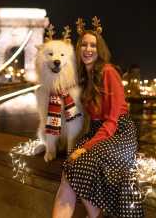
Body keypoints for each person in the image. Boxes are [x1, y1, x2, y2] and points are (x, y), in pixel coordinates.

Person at [52, 17, 144, 218]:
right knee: (67, 175)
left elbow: (111, 121)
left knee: (80, 165)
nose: (88, 49)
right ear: (79, 48)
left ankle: (96, 216)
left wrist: (85, 147)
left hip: (118, 133)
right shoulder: (84, 77)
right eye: (84, 44)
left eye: (93, 45)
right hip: (97, 132)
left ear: (99, 49)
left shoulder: (109, 72)